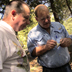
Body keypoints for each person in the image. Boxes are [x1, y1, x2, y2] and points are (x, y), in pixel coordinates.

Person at [27, 4, 72, 72]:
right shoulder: (32, 33)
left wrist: (67, 42)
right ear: (37, 19)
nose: (46, 21)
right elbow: (32, 52)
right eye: (43, 19)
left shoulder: (59, 25)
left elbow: (69, 39)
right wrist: (45, 47)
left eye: (48, 17)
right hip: (48, 70)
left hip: (66, 67)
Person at [0, 0, 30, 72]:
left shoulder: (9, 32)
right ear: (14, 14)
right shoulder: (1, 32)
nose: (28, 22)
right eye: (26, 18)